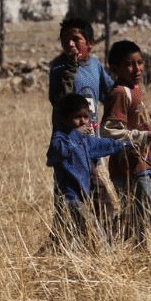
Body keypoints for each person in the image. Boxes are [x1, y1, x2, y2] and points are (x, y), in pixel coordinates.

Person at [48, 17, 118, 228]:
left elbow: (110, 93)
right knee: (69, 200)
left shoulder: (95, 65)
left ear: (90, 42)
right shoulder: (58, 68)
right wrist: (70, 68)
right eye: (65, 40)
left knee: (101, 201)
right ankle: (64, 243)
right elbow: (60, 102)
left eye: (75, 39)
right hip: (68, 148)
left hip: (90, 146)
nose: (70, 44)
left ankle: (104, 242)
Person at [45, 94, 129, 251]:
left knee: (68, 236)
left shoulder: (85, 140)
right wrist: (76, 134)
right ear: (65, 119)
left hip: (83, 197)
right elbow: (57, 153)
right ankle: (104, 256)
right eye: (77, 117)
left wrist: (126, 144)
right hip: (69, 199)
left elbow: (103, 145)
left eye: (86, 117)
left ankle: (50, 254)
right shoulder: (60, 138)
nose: (83, 121)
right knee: (93, 231)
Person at [101, 40, 151, 248]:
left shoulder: (135, 88)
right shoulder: (120, 92)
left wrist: (148, 120)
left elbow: (132, 118)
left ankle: (143, 249)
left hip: (143, 160)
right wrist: (141, 136)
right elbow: (109, 130)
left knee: (139, 209)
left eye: (140, 62)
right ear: (115, 68)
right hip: (128, 164)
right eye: (129, 64)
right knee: (145, 207)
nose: (137, 69)